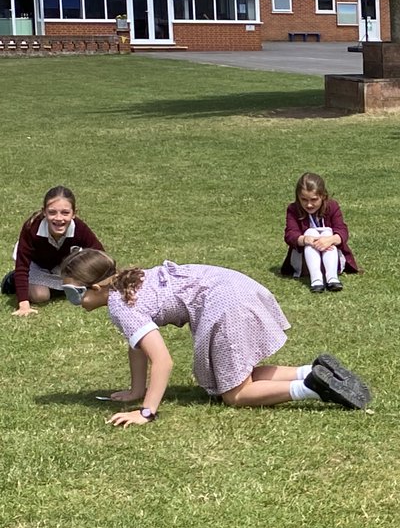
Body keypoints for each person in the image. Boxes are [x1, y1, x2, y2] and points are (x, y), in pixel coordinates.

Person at [60, 249, 371, 427]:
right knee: (239, 377)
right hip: (232, 286)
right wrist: (135, 390)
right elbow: (137, 345)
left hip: (225, 304)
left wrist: (146, 411)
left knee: (233, 394)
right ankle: (314, 371)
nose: (71, 300)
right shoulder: (123, 288)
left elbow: (163, 361)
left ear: (97, 287)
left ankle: (311, 389)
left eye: (73, 293)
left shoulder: (118, 305)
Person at [3, 186, 105, 317]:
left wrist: (113, 283)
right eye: (52, 212)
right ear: (44, 212)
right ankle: (13, 279)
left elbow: (100, 255)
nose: (58, 218)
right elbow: (23, 265)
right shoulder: (32, 228)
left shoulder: (79, 228)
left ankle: (60, 286)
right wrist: (24, 305)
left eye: (65, 213)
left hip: (61, 266)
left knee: (83, 284)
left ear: (74, 213)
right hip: (36, 265)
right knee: (41, 295)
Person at [281, 172, 358, 293]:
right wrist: (306, 240)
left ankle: (332, 278)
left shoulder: (332, 206)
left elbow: (342, 231)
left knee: (327, 233)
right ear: (298, 197)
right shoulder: (293, 209)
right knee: (311, 231)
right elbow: (290, 234)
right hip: (304, 260)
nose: (309, 204)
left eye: (314, 199)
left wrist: (329, 240)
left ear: (323, 196)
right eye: (304, 200)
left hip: (331, 255)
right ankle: (316, 279)